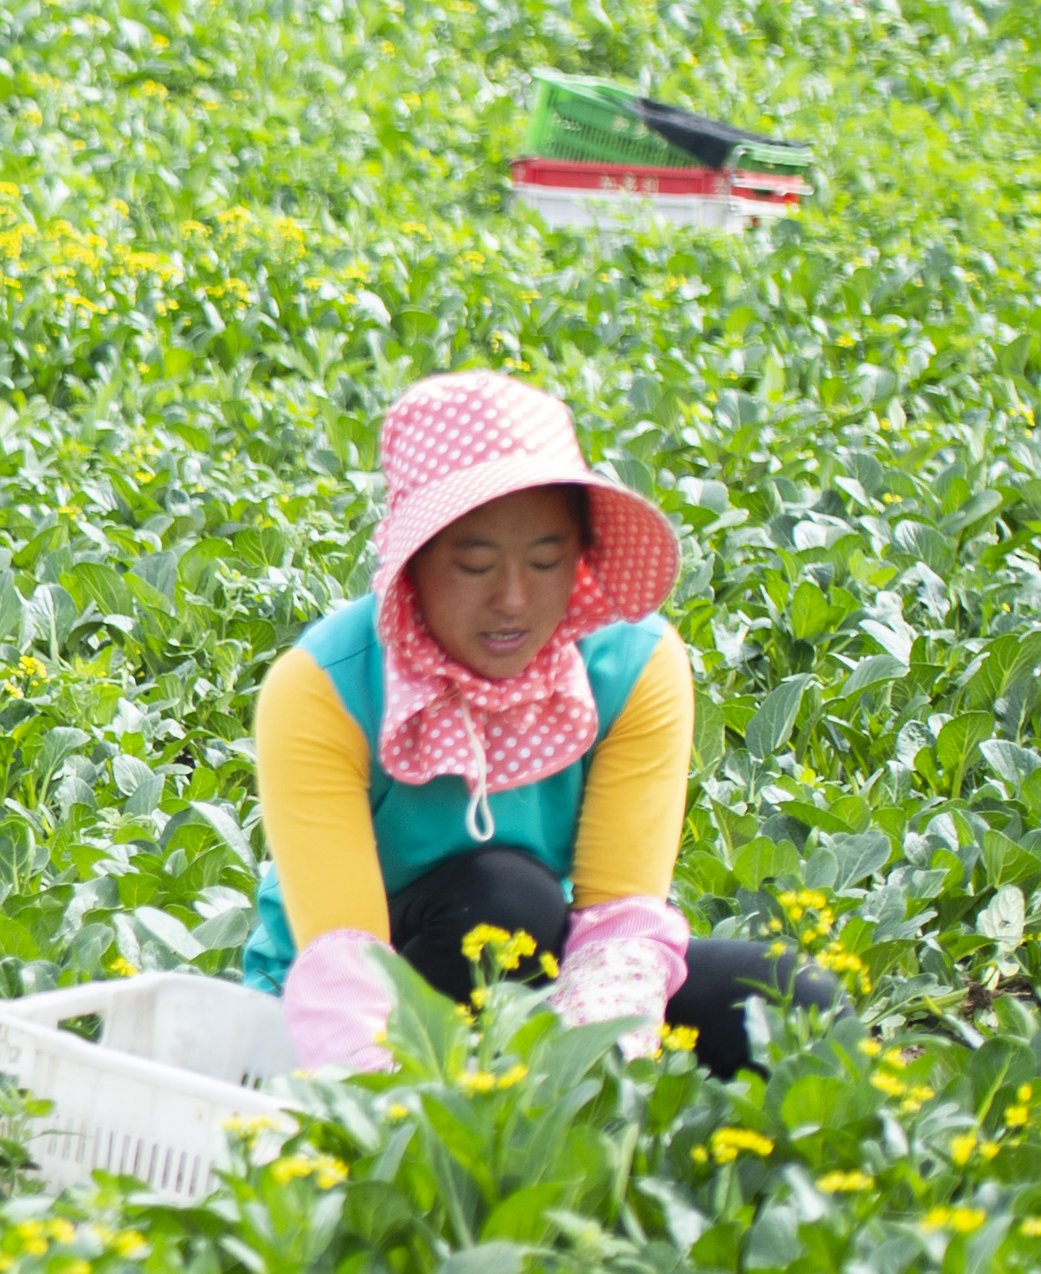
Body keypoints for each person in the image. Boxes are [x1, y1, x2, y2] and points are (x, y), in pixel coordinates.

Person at [242, 372, 834, 1075]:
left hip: (544, 974)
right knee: (502, 903)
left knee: (788, 1003)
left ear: (582, 556)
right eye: (474, 562)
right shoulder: (322, 689)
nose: (515, 598)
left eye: (547, 560)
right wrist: (382, 1117)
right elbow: (344, 957)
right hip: (340, 1009)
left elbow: (617, 919)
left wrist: (592, 1076)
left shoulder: (636, 665)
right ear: (413, 563)